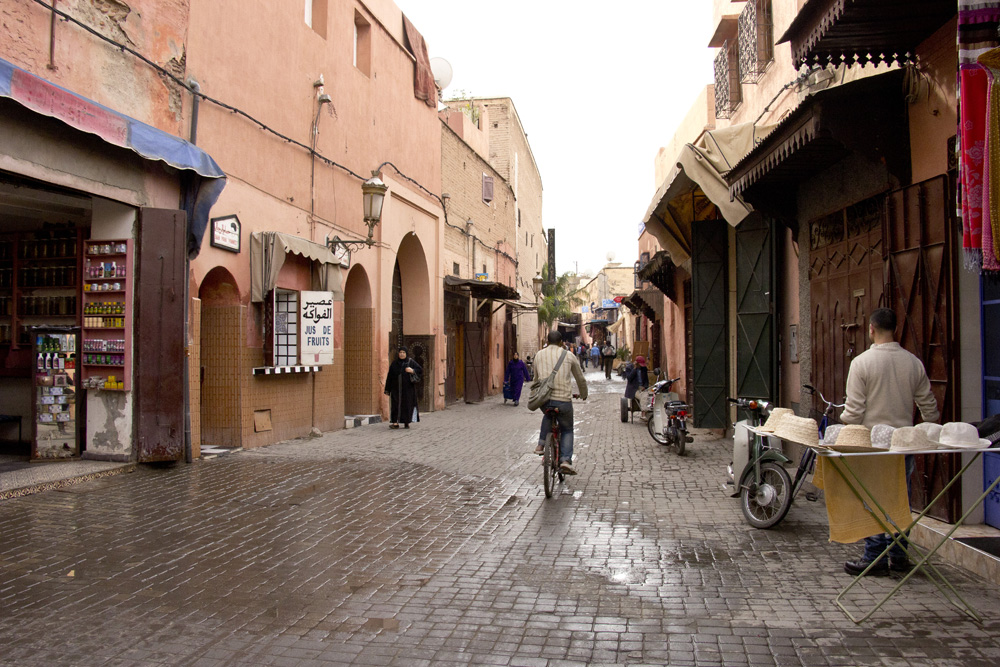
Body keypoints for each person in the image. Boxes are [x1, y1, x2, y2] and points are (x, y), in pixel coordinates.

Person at [839, 307, 939, 577]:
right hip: (902, 443)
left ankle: (874, 555)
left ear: (871, 328)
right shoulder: (912, 362)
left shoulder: (861, 363)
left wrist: (844, 425)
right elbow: (929, 407)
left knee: (871, 497)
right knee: (899, 498)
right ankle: (898, 554)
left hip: (872, 443)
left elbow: (855, 411)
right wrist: (929, 431)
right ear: (894, 329)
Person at [533, 330, 588, 475]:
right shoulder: (568, 355)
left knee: (548, 413)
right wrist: (583, 394)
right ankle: (565, 460)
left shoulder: (538, 355)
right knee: (567, 429)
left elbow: (536, 378)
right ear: (561, 342)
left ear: (547, 341)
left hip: (544, 400)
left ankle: (541, 444)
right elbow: (580, 378)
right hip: (563, 400)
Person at [384, 346, 423, 429]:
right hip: (396, 389)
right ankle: (395, 423)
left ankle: (406, 422)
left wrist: (412, 370)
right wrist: (387, 389)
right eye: (400, 352)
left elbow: (420, 370)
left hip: (408, 390)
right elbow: (390, 376)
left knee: (407, 405)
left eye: (403, 353)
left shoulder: (410, 362)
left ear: (406, 353)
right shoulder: (394, 364)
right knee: (395, 405)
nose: (402, 354)